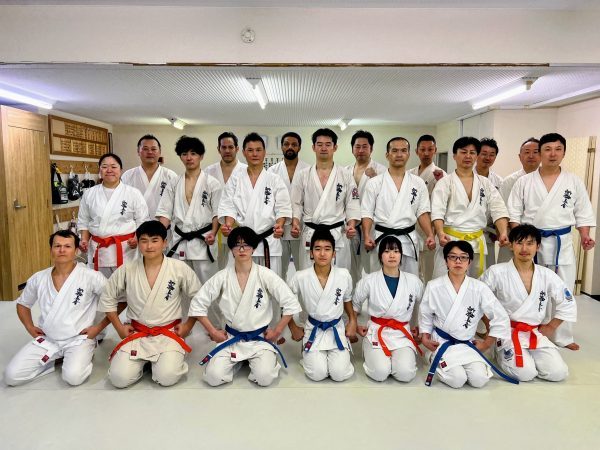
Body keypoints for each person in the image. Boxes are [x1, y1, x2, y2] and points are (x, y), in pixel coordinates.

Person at [507, 132, 595, 350]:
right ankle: (529, 330)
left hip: (560, 242)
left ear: (564, 152)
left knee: (563, 288)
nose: (552, 154)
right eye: (547, 149)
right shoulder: (524, 182)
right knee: (530, 287)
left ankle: (562, 336)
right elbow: (514, 213)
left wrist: (585, 235)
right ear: (540, 153)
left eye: (558, 149)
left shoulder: (573, 181)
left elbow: (583, 212)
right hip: (531, 242)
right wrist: (519, 241)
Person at [187, 227, 302, 387]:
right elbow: (198, 303)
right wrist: (213, 332)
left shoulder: (265, 274)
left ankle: (254, 362)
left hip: (259, 339)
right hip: (231, 338)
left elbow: (290, 302)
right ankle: (240, 363)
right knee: (213, 377)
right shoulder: (222, 277)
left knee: (264, 377)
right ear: (231, 250)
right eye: (237, 245)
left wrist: (277, 331)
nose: (242, 249)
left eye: (246, 245)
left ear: (253, 248)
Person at [98, 221, 202, 388]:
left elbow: (199, 298)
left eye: (155, 240)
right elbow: (108, 298)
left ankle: (159, 362)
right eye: (144, 241)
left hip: (168, 333)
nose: (149, 246)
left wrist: (188, 325)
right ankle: (147, 364)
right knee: (119, 379)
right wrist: (119, 328)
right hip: (137, 333)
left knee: (167, 377)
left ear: (165, 242)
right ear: (138, 243)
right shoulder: (127, 269)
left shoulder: (178, 268)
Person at [4, 230, 108, 386]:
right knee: (11, 376)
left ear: (76, 250)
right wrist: (29, 327)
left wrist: (98, 328)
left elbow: (114, 300)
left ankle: (84, 352)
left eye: (67, 246)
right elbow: (23, 304)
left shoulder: (91, 276)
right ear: (51, 250)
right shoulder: (39, 278)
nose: (62, 250)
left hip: (79, 339)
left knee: (73, 378)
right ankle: (57, 358)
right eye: (57, 246)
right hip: (49, 338)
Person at [480, 225, 575, 382]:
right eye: (519, 243)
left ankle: (529, 357)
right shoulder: (496, 272)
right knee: (525, 373)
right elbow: (476, 298)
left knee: (558, 373)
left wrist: (551, 326)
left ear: (538, 246)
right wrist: (489, 324)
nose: (524, 249)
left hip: (534, 333)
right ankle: (499, 352)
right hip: (507, 333)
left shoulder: (546, 275)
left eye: (530, 243)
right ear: (511, 245)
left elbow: (567, 302)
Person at [419, 241, 515, 389]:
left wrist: (487, 343)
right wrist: (425, 337)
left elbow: (500, 316)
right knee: (457, 379)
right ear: (446, 261)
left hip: (467, 342)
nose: (458, 261)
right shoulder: (434, 286)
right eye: (453, 257)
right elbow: (425, 314)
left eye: (463, 257)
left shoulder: (479, 288)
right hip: (443, 342)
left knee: (479, 379)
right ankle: (432, 356)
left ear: (469, 262)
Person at [431, 137, 509, 279]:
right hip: (450, 240)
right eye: (463, 152)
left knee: (476, 284)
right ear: (454, 155)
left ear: (476, 156)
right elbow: (437, 211)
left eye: (472, 152)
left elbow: (498, 209)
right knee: (445, 282)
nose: (468, 156)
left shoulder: (485, 183)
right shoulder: (445, 183)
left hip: (476, 242)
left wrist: (503, 232)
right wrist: (440, 233)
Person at [288, 230, 357, 382]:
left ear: (334, 253)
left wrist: (353, 321)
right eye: (318, 249)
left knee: (339, 374)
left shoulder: (344, 275)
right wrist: (293, 327)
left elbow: (347, 299)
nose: (322, 253)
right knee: (317, 374)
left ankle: (334, 357)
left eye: (327, 249)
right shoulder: (300, 277)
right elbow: (285, 302)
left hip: (335, 328)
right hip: (314, 329)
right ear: (311, 253)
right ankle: (309, 353)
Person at [219, 132, 291, 277]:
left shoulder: (274, 180)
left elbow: (282, 207)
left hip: (268, 241)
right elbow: (228, 205)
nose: (255, 154)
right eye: (250, 150)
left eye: (258, 150)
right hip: (242, 243)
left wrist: (280, 225)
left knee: (270, 284)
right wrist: (228, 224)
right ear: (244, 152)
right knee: (242, 283)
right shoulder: (235, 179)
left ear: (264, 152)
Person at [353, 236, 423, 383]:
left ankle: (394, 360)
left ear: (401, 255)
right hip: (376, 331)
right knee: (380, 373)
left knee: (405, 374)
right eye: (387, 251)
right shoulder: (369, 281)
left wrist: (422, 329)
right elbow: (355, 304)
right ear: (380, 256)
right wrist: (355, 325)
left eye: (396, 251)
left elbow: (426, 307)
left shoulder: (413, 281)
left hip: (401, 333)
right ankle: (373, 354)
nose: (392, 255)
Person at [361, 137, 435, 277]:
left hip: (408, 240)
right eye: (394, 151)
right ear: (387, 155)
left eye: (403, 150)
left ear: (409, 154)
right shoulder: (374, 183)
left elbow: (422, 212)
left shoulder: (418, 183)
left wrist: (430, 234)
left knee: (409, 280)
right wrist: (366, 235)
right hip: (382, 239)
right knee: (380, 282)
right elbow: (367, 213)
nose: (399, 154)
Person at [291, 128, 361, 270]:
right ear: (313, 147)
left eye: (328, 144)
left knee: (339, 276)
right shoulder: (302, 175)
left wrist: (351, 225)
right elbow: (296, 203)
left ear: (335, 147)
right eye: (320, 144)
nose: (324, 148)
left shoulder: (345, 175)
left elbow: (352, 204)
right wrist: (295, 223)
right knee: (308, 277)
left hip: (337, 233)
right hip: (311, 233)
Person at [156, 135, 221, 285]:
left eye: (193, 153)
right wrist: (158, 235)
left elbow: (217, 213)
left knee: (207, 286)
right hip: (180, 241)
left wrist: (213, 232)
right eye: (184, 154)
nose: (189, 158)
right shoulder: (173, 183)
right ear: (180, 157)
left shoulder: (212, 183)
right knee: (180, 285)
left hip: (204, 241)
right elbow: (165, 213)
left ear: (201, 156)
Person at [77, 153, 149, 277]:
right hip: (98, 250)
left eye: (114, 167)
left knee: (126, 285)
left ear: (121, 170)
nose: (109, 170)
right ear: (99, 170)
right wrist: (84, 239)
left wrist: (137, 239)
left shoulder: (133, 193)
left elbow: (143, 221)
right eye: (104, 167)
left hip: (126, 250)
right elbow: (84, 221)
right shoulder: (89, 194)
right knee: (99, 286)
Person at [337, 130, 386, 281]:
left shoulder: (381, 171)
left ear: (371, 149)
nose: (361, 150)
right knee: (349, 269)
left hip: (371, 226)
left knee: (373, 268)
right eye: (357, 147)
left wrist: (376, 178)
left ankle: (373, 296)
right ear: (352, 149)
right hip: (350, 226)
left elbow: (387, 198)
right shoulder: (345, 171)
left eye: (365, 147)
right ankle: (352, 296)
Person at [267, 132, 310, 281]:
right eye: (286, 144)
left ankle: (302, 297)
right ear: (281, 147)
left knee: (303, 271)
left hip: (301, 227)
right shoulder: (272, 171)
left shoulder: (308, 170)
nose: (290, 147)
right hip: (279, 229)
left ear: (299, 147)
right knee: (278, 272)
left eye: (294, 144)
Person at [204, 132, 248, 270]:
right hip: (216, 226)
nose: (227, 150)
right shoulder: (209, 171)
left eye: (231, 147)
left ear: (237, 148)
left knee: (241, 265)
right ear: (218, 149)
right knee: (217, 267)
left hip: (239, 225)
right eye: (224, 147)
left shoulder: (246, 170)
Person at [407, 134, 446, 282]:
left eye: (430, 149)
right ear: (416, 151)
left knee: (430, 273)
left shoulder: (441, 174)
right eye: (422, 149)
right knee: (412, 273)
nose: (426, 153)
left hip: (431, 229)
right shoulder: (409, 174)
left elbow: (443, 204)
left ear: (435, 150)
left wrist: (441, 182)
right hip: (411, 227)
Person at [497, 138, 541, 263]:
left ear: (542, 155)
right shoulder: (509, 181)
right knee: (507, 272)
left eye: (535, 152)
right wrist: (506, 234)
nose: (531, 156)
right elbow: (501, 211)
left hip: (539, 237)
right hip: (512, 237)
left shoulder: (548, 181)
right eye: (527, 152)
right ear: (520, 157)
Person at [121, 134, 178, 219]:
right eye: (145, 149)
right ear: (138, 151)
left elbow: (177, 205)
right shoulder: (128, 176)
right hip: (135, 225)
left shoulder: (170, 176)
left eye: (154, 149)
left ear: (160, 152)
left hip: (163, 225)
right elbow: (121, 203)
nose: (150, 152)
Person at [474, 138, 504, 268]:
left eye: (492, 154)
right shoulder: (466, 177)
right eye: (484, 154)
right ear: (477, 154)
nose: (488, 158)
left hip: (489, 234)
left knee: (488, 269)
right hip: (468, 232)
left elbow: (500, 208)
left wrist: (497, 230)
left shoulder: (499, 181)